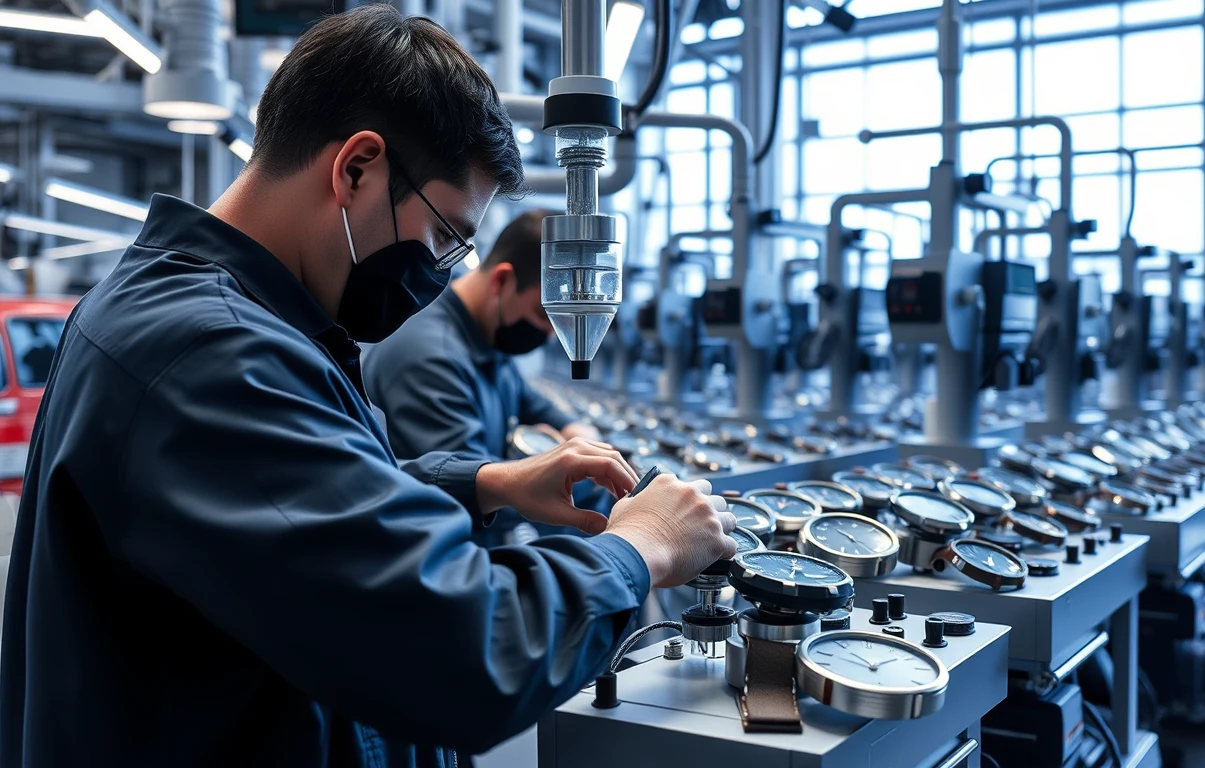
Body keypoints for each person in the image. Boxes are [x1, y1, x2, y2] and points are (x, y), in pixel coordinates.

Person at [0, 7, 735, 768]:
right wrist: (639, 550)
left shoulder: (220, 317)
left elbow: (299, 509)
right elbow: (464, 653)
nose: (446, 270)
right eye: (448, 235)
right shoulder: (209, 353)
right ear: (357, 168)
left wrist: (486, 483)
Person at [364, 210, 607, 546]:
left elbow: (526, 399)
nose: (551, 335)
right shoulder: (430, 357)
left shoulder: (485, 333)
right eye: (543, 314)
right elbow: (475, 489)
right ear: (502, 280)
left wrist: (574, 431)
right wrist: (594, 485)